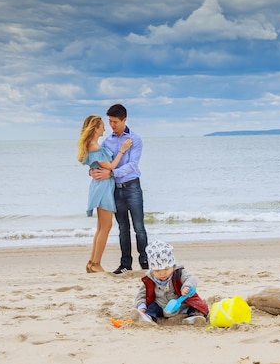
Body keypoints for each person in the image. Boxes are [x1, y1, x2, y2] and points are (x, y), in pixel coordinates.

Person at [90, 104, 148, 275]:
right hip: (115, 189)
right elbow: (102, 161)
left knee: (139, 227)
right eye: (109, 121)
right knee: (123, 228)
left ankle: (144, 261)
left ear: (124, 119)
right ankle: (125, 264)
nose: (111, 125)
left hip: (133, 187)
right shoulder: (107, 141)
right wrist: (93, 170)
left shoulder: (135, 139)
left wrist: (112, 173)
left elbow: (132, 165)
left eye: (115, 121)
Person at [78, 115, 132, 273]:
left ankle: (91, 262)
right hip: (103, 187)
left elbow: (98, 166)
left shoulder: (91, 146)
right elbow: (111, 166)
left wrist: (92, 170)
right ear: (95, 128)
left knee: (100, 227)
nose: (105, 128)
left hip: (99, 185)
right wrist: (123, 150)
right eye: (102, 126)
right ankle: (95, 264)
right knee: (106, 227)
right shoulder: (95, 147)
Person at [134, 240, 209, 325]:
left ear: (173, 266)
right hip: (161, 307)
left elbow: (191, 279)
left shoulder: (179, 273)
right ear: (152, 269)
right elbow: (141, 295)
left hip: (181, 305)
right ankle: (148, 318)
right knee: (151, 308)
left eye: (166, 269)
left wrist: (187, 286)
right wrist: (141, 306)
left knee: (194, 308)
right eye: (157, 270)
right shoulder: (149, 279)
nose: (162, 273)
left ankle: (192, 318)